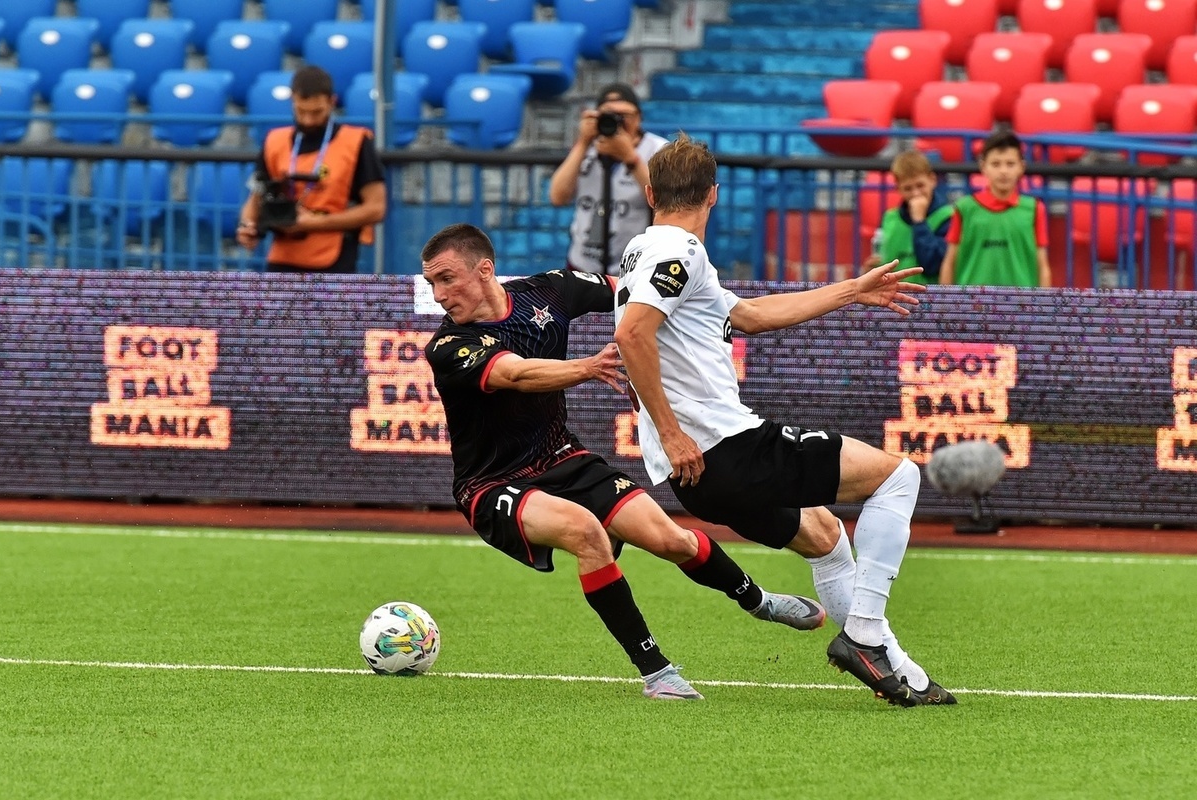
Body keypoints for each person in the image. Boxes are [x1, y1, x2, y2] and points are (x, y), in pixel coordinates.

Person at [613, 133, 956, 707]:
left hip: (696, 474)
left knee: (824, 536)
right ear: (714, 195)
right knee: (899, 477)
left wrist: (851, 290)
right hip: (723, 448)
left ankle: (900, 674)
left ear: (650, 192)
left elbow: (747, 315)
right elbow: (631, 334)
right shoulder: (680, 252)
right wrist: (674, 434)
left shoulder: (646, 251)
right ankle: (865, 635)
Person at [421, 223, 828, 701]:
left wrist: (686, 313)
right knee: (585, 532)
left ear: (484, 269)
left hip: (562, 458)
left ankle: (759, 601)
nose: (439, 295)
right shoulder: (446, 347)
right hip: (491, 485)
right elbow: (516, 373)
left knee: (670, 539)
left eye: (446, 279)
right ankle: (657, 672)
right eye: (432, 283)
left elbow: (637, 293)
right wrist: (588, 367)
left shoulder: (549, 290)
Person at [236, 65, 386, 274]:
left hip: (334, 259)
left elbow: (376, 208)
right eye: (301, 111)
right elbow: (255, 197)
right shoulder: (274, 141)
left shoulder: (356, 141)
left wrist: (314, 223)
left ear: (332, 102)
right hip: (282, 257)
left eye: (317, 112)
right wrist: (247, 225)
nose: (308, 119)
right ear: (292, 100)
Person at [548, 83, 668, 275]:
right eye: (609, 115)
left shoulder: (657, 149)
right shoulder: (587, 148)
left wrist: (630, 158)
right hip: (583, 264)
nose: (618, 122)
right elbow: (557, 196)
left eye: (625, 116)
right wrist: (583, 142)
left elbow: (666, 200)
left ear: (639, 118)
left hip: (636, 266)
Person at [940, 130, 1051, 287]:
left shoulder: (1034, 209)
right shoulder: (964, 208)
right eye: (996, 164)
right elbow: (949, 262)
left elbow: (1043, 265)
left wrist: (1043, 306)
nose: (1003, 171)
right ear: (983, 166)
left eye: (1010, 164)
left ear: (1021, 167)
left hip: (1022, 305)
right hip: (972, 304)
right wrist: (946, 306)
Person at [864, 149, 953, 285]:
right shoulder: (889, 218)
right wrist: (871, 269)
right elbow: (882, 257)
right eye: (908, 188)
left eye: (920, 185)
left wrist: (919, 221)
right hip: (892, 298)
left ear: (932, 180)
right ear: (898, 188)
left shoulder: (948, 217)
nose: (916, 193)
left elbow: (933, 265)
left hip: (930, 299)